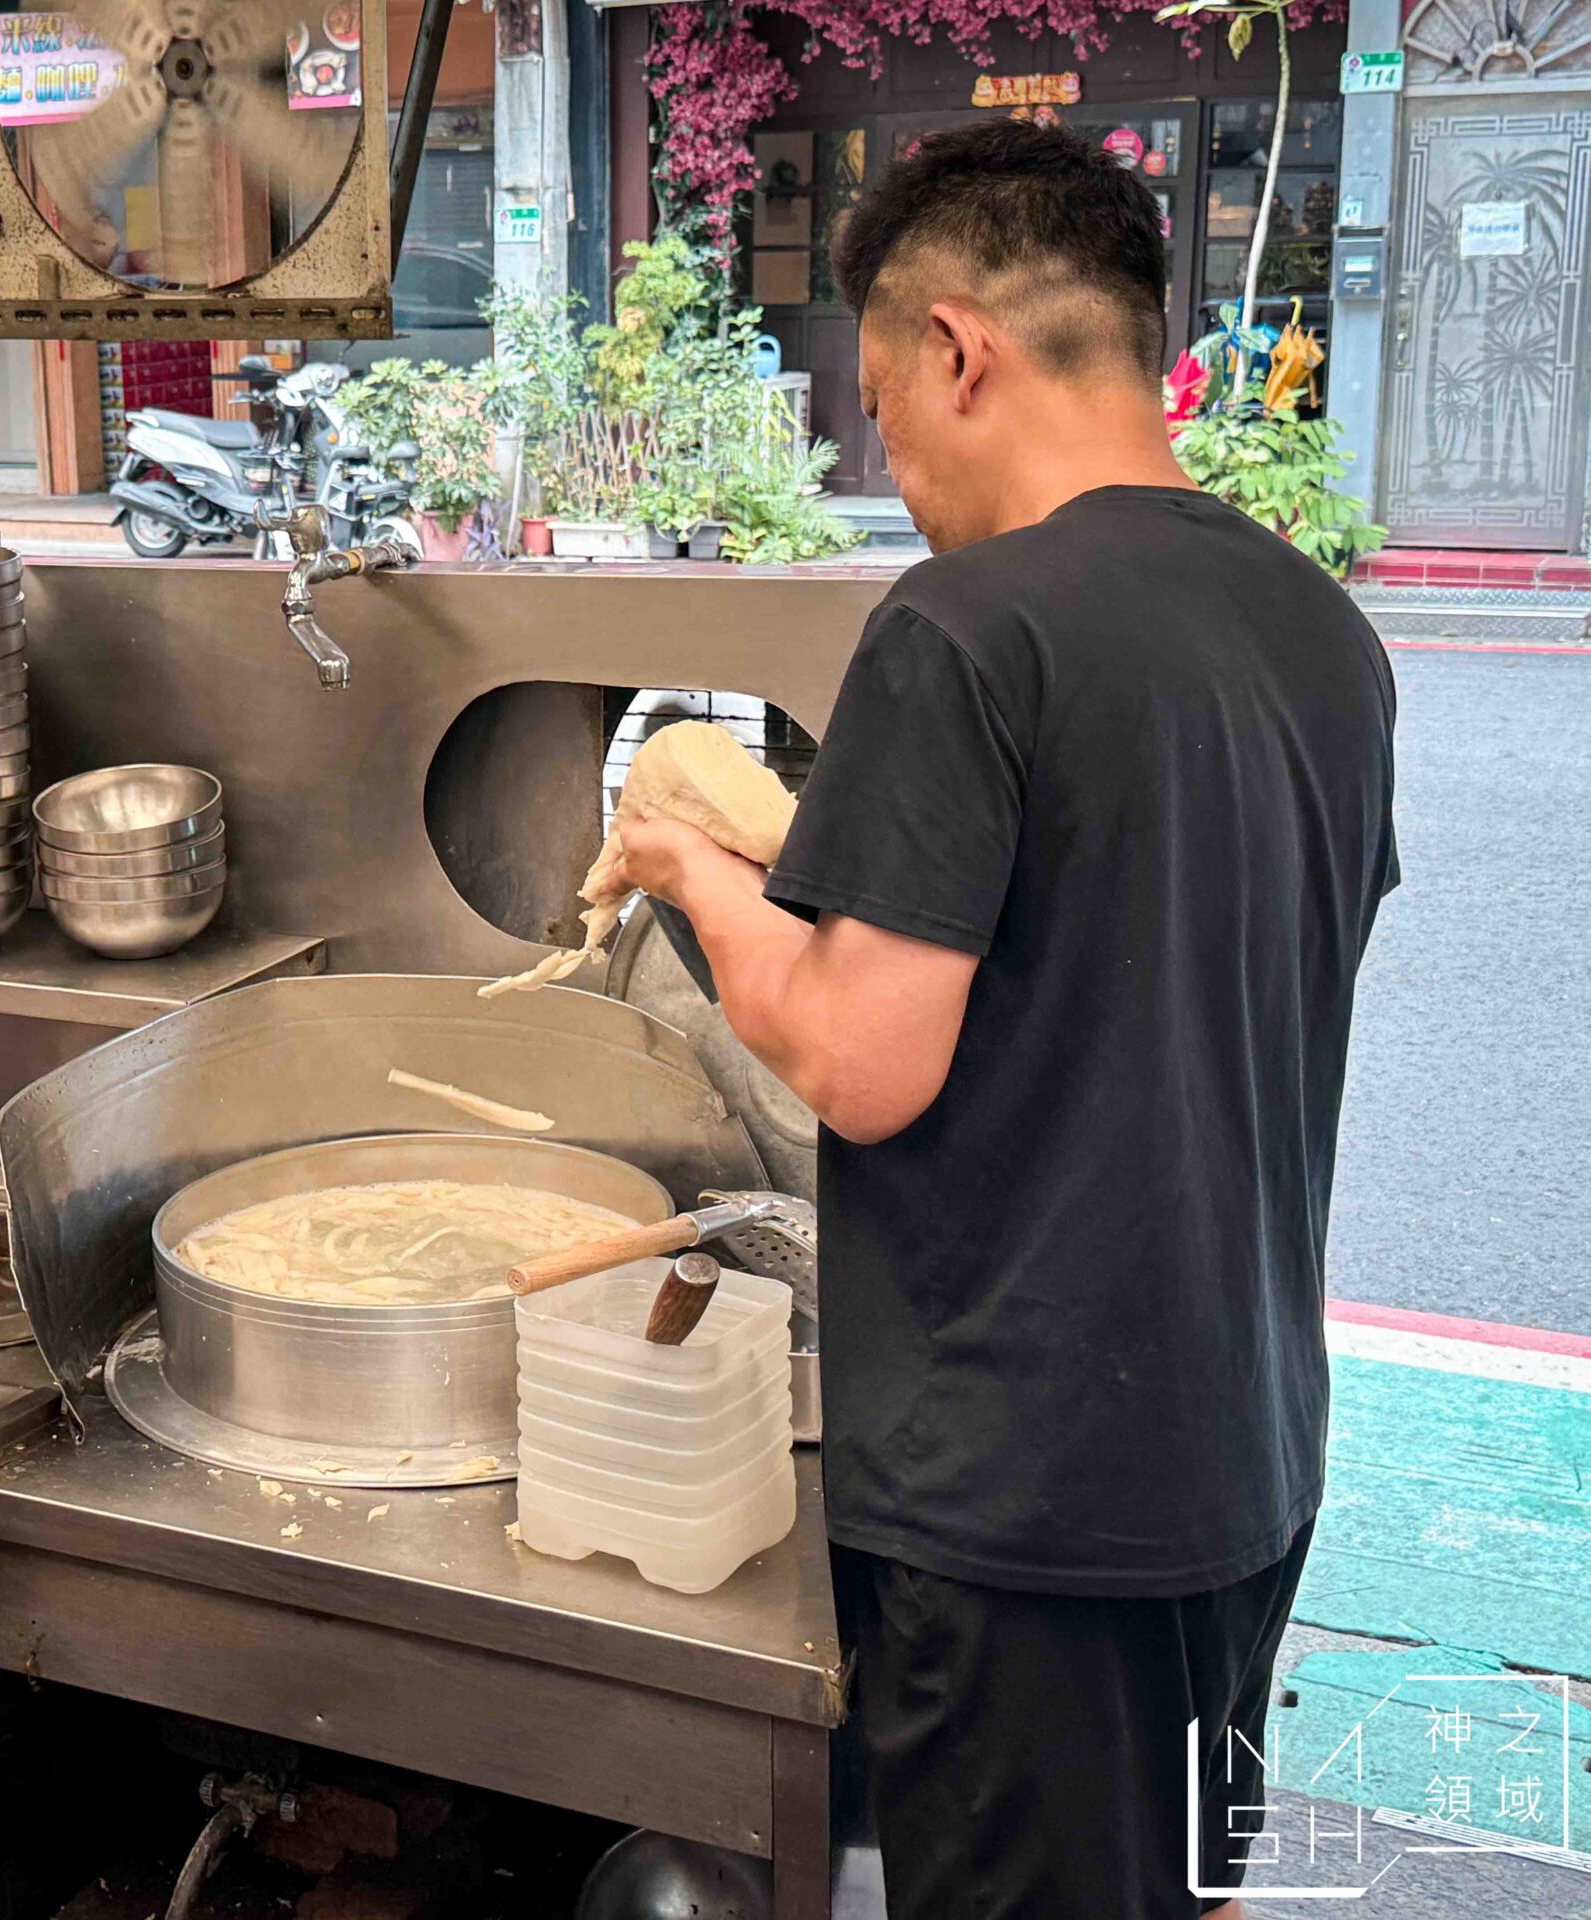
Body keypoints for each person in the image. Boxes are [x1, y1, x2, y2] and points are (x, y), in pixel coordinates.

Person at [613, 120, 1397, 1919]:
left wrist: (687, 866)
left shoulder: (966, 629)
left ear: (961, 350)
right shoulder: (1318, 629)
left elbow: (860, 1063)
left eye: (885, 419)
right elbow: (1139, 936)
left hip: (1032, 1501)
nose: (898, 477)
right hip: (1243, 1459)